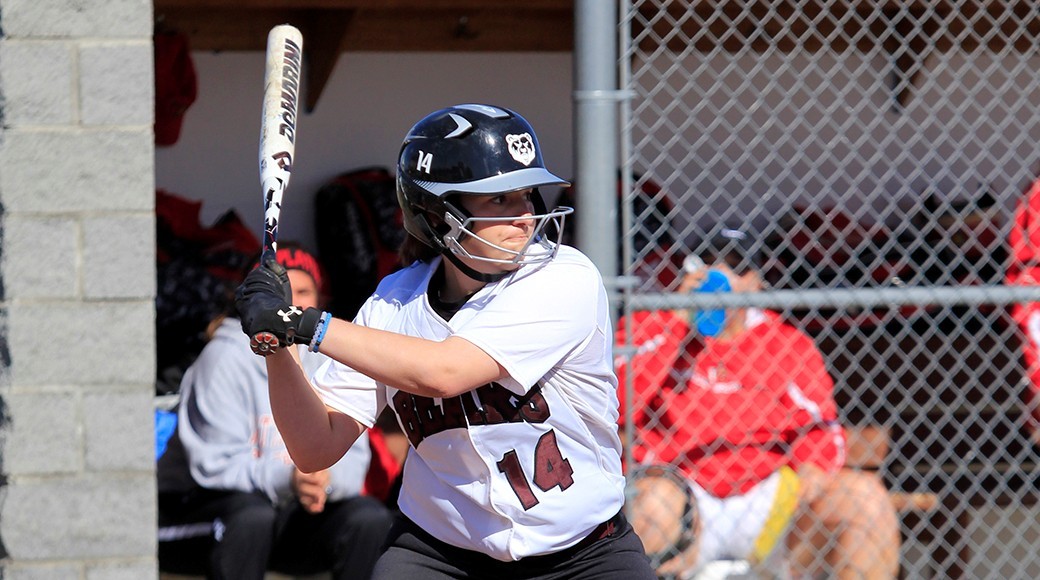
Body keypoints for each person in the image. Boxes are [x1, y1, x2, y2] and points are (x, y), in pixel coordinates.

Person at [234, 103, 656, 579]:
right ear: (437, 215)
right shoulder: (394, 303)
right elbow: (315, 447)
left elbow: (443, 372)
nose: (524, 216)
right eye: (499, 200)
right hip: (441, 554)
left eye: (526, 195)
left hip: (581, 553)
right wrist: (276, 343)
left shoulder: (563, 277)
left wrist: (303, 322)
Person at [615, 229, 900, 579]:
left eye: (736, 266)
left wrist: (813, 469)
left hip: (767, 500)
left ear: (756, 282)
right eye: (708, 263)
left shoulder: (784, 342)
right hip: (681, 493)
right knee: (653, 502)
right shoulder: (653, 326)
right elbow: (615, 404)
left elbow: (821, 425)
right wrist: (678, 319)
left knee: (865, 499)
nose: (721, 275)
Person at [157, 242, 394, 580]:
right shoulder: (224, 358)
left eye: (303, 292)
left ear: (320, 300)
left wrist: (323, 481)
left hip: (285, 510)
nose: (291, 303)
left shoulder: (329, 359)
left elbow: (355, 463)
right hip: (199, 511)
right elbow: (212, 468)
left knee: (369, 519)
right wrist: (290, 478)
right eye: (280, 292)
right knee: (251, 516)